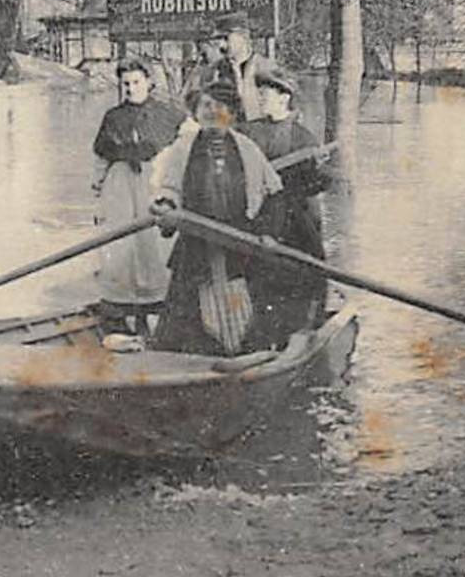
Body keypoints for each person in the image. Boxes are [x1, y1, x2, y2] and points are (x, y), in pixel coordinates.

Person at [148, 76, 282, 356]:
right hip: (196, 242)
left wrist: (268, 232)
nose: (210, 112)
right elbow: (168, 188)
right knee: (187, 321)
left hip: (240, 243)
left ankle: (250, 357)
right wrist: (166, 208)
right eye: (205, 106)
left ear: (232, 114)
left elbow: (274, 195)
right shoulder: (182, 148)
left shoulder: (247, 148)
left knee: (249, 315)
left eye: (219, 107)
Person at [240, 64, 334, 348]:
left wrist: (318, 172)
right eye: (260, 94)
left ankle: (300, 331)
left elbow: (315, 185)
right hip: (258, 215)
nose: (262, 99)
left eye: (267, 94)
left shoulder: (303, 137)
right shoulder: (248, 132)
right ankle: (258, 334)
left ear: (285, 97)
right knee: (257, 277)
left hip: (294, 219)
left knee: (301, 273)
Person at [92, 58, 189, 325]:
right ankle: (122, 304)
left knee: (152, 242)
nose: (131, 88)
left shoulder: (168, 113)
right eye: (126, 83)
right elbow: (101, 158)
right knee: (121, 242)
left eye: (136, 82)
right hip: (120, 183)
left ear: (149, 82)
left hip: (153, 179)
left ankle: (155, 302)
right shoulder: (113, 117)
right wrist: (97, 191)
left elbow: (188, 139)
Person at [213, 12, 274, 123]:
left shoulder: (264, 67)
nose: (221, 45)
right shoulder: (218, 71)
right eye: (219, 40)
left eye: (226, 38)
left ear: (243, 36)